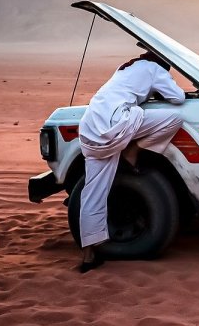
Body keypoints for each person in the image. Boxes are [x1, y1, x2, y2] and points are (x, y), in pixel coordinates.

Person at [77, 50, 185, 273]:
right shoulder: (155, 69)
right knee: (174, 119)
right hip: (115, 125)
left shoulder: (125, 68)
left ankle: (88, 256)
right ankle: (133, 151)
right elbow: (178, 97)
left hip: (89, 130)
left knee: (93, 195)